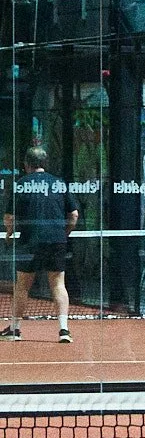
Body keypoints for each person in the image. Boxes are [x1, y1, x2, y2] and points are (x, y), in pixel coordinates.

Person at [3, 144, 78, 344]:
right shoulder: (59, 183)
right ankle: (64, 329)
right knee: (58, 284)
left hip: (30, 241)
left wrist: (9, 233)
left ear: (26, 165)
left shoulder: (20, 184)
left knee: (22, 286)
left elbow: (9, 217)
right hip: (56, 241)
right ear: (45, 163)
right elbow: (74, 215)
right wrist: (64, 234)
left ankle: (16, 329)